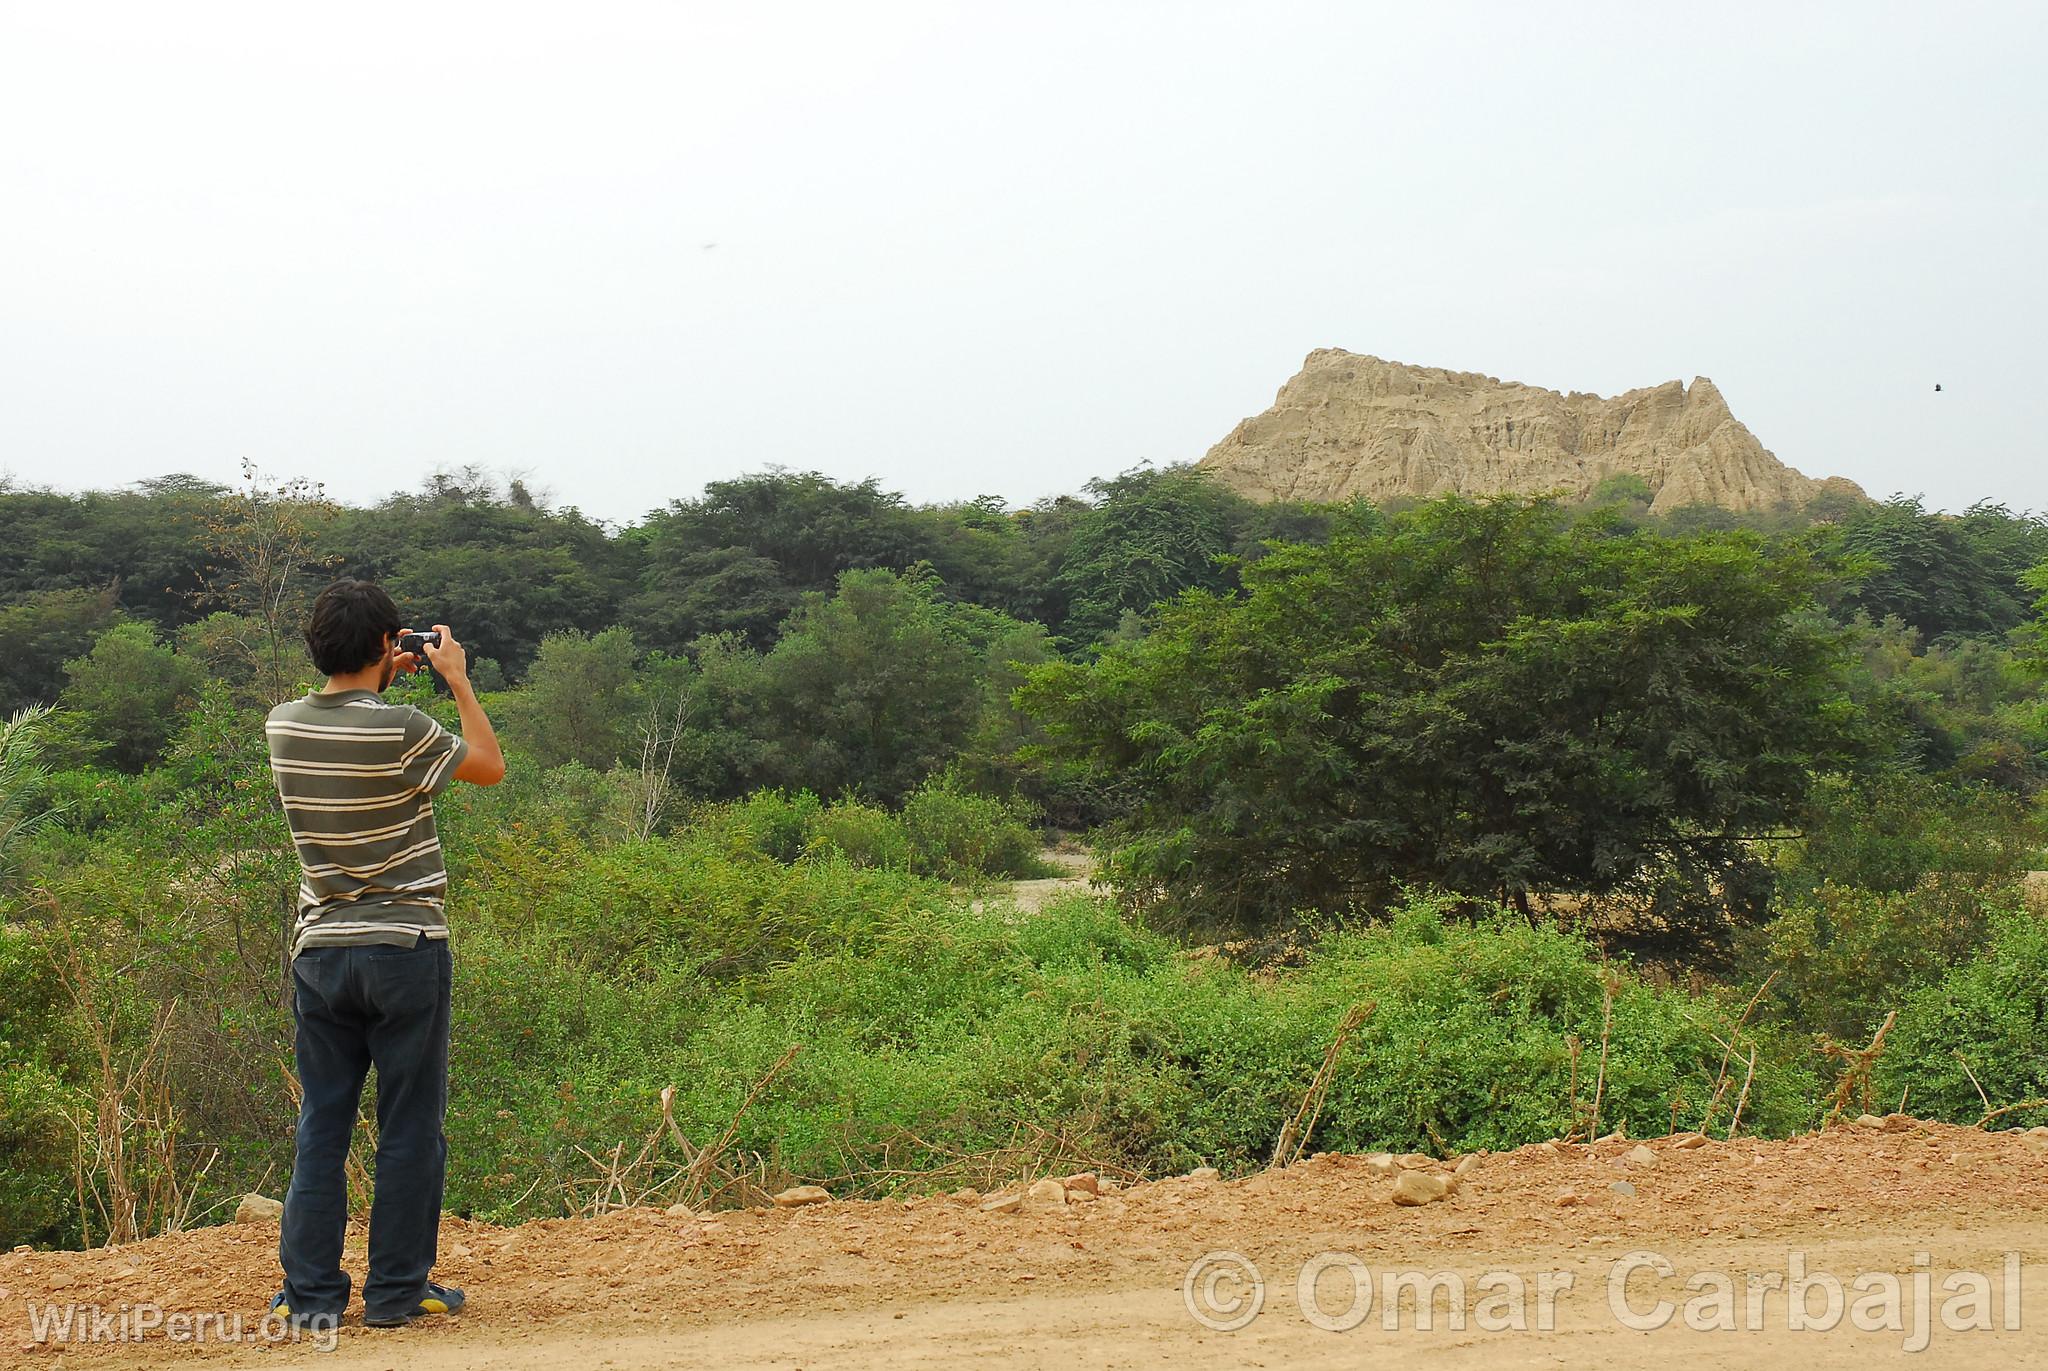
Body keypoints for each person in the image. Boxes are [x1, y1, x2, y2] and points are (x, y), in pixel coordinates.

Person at [264, 578, 505, 1330]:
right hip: (405, 947)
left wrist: (372, 674)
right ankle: (398, 1291)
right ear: (386, 645)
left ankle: (309, 1298)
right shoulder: (403, 727)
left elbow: (340, 710)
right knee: (408, 1125)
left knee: (322, 1124)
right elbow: (489, 765)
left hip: (321, 954)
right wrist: (457, 681)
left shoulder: (282, 724)